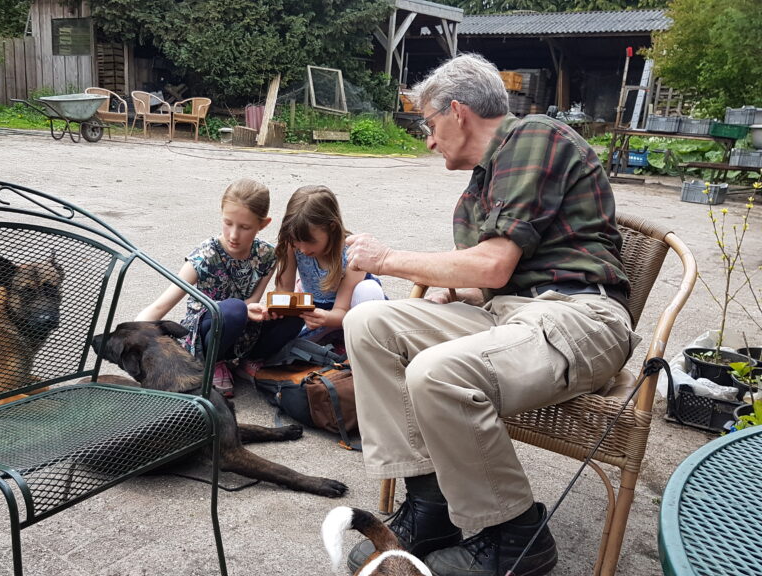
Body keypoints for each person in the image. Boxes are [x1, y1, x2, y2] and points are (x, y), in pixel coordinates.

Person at [341, 53, 641, 576]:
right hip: (510, 317)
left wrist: (386, 259)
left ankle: (516, 538)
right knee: (369, 324)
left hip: (579, 317)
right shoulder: (477, 190)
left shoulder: (535, 138)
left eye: (428, 124)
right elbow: (497, 281)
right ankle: (432, 508)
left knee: (437, 372)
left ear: (457, 111)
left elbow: (495, 266)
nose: (427, 140)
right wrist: (457, 297)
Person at [135, 178, 303, 397]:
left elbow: (253, 301)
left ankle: (248, 362)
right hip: (206, 336)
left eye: (245, 227)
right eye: (228, 223)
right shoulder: (206, 255)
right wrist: (133, 341)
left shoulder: (266, 255)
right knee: (234, 309)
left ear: (263, 224)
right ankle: (213, 363)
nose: (233, 235)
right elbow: (161, 305)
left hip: (242, 330)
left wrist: (263, 311)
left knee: (294, 315)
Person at [272, 185, 385, 344]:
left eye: (310, 241)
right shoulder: (291, 244)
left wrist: (326, 318)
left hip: (347, 312)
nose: (303, 249)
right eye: (297, 241)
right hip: (315, 312)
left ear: (331, 227)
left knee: (368, 290)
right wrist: (279, 309)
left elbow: (342, 310)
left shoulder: (352, 253)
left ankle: (364, 345)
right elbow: (284, 290)